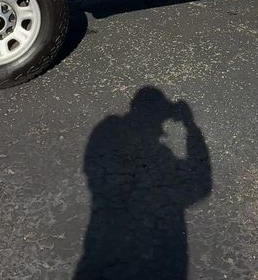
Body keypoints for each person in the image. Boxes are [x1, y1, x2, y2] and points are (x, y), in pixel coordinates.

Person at [75, 87, 212, 280]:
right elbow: (200, 185)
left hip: (103, 243)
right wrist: (190, 126)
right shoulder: (158, 154)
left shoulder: (107, 128)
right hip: (153, 254)